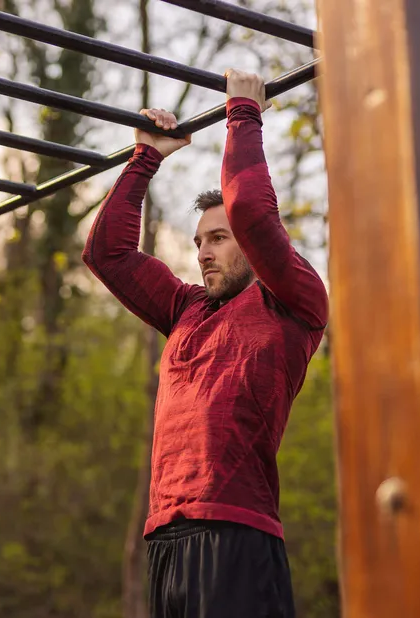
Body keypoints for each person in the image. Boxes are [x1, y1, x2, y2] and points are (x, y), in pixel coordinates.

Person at [81, 68, 329, 618]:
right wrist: (145, 159)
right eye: (199, 242)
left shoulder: (292, 302)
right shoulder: (186, 309)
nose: (203, 253)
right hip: (166, 538)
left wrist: (243, 114)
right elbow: (107, 255)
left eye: (218, 238)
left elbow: (253, 213)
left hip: (236, 532)